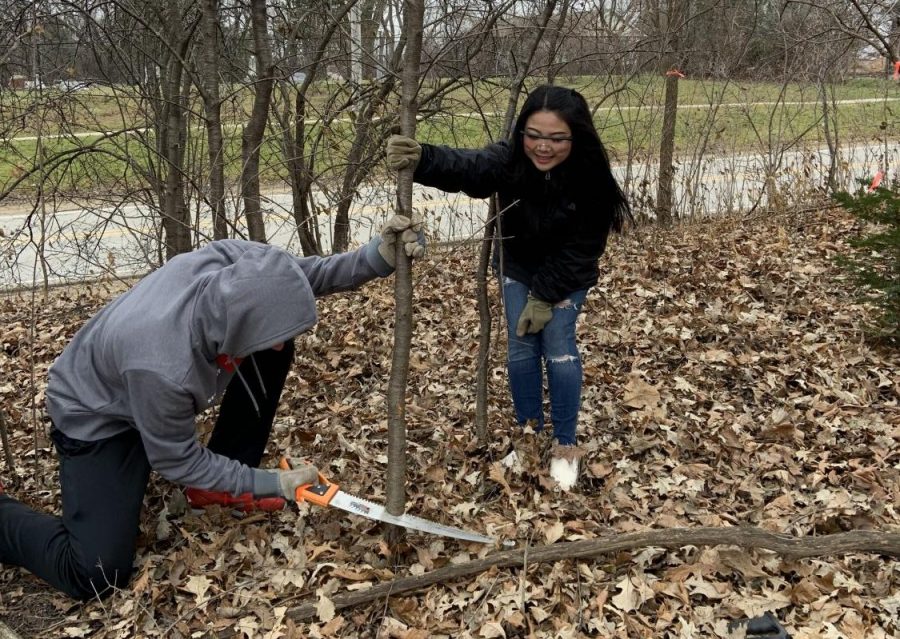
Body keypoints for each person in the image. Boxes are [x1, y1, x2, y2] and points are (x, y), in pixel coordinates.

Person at [0, 216, 424, 600]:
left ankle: (218, 484)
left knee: (271, 347)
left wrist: (374, 258)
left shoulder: (230, 264)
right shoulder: (163, 366)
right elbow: (175, 458)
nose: (280, 345)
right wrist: (270, 483)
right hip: (95, 416)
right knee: (96, 573)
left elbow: (294, 278)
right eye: (266, 333)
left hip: (142, 384)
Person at [386, 85, 631, 491]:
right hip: (518, 267)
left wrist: (544, 296)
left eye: (556, 138)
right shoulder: (511, 160)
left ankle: (565, 446)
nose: (543, 147)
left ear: (576, 136)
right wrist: (422, 158)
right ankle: (528, 438)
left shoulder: (591, 179)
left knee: (558, 347)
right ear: (521, 133)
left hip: (567, 275)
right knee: (520, 347)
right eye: (534, 134)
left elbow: (582, 250)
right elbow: (471, 167)